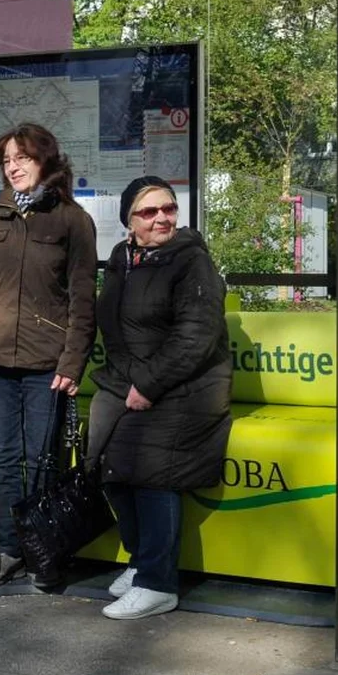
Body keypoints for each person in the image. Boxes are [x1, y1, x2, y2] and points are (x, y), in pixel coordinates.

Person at [88, 175, 232, 619]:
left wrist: (148, 385)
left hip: (188, 388)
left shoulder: (191, 261)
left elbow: (196, 336)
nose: (162, 218)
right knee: (109, 465)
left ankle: (158, 583)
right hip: (134, 382)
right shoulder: (122, 258)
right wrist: (127, 384)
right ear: (129, 221)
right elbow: (117, 327)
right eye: (149, 212)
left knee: (150, 467)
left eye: (169, 208)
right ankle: (140, 561)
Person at [0, 123, 97, 587]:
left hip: (46, 363)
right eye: (7, 160)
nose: (13, 167)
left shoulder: (72, 220)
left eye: (23, 157)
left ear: (46, 161)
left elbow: (83, 300)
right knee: (4, 459)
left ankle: (46, 554)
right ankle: (9, 552)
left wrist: (72, 363)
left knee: (44, 461)